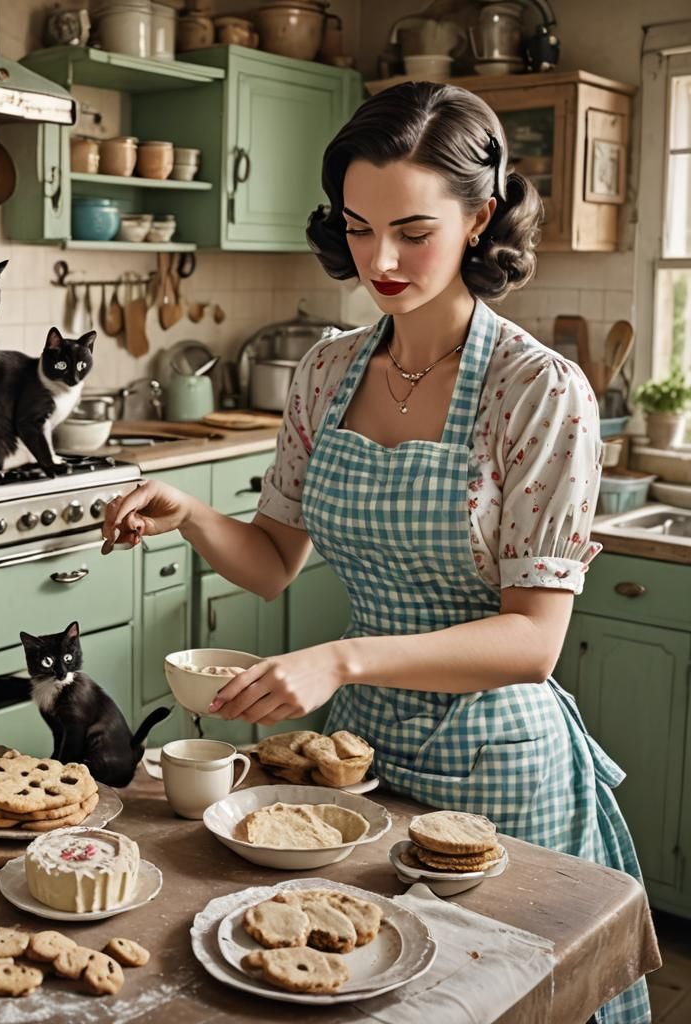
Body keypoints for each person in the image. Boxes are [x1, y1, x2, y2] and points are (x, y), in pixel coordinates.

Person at [100, 81, 652, 1022]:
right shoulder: (326, 370)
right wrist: (191, 513)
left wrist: (342, 655)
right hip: (351, 762)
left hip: (496, 771)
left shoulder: (537, 390)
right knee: (350, 987)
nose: (381, 261)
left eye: (412, 231)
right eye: (359, 229)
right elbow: (275, 555)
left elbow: (532, 641)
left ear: (479, 219)